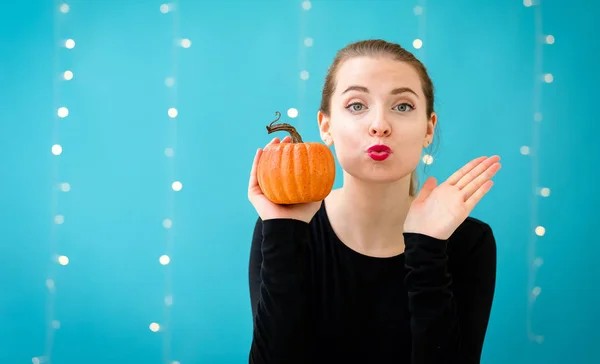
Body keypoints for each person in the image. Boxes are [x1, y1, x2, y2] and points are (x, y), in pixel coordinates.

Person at [247, 39, 501, 364]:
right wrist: (284, 233)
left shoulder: (468, 241)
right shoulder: (285, 229)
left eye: (403, 106)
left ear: (428, 128)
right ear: (326, 126)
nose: (380, 125)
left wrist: (427, 249)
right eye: (357, 105)